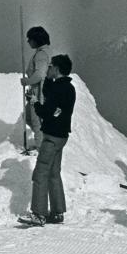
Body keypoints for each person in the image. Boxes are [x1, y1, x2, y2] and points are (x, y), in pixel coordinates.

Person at [18, 54, 76, 226]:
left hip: (51, 136)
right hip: (61, 136)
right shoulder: (68, 87)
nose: (48, 68)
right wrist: (47, 81)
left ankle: (38, 213)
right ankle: (58, 212)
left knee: (40, 173)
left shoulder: (59, 90)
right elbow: (49, 93)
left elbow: (46, 112)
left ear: (57, 69)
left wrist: (35, 102)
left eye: (50, 67)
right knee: (54, 173)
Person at [19, 26, 51, 150]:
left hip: (39, 91)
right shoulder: (41, 52)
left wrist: (27, 81)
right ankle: (42, 143)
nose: (28, 42)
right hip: (37, 90)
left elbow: (39, 74)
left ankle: (41, 149)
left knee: (36, 120)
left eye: (30, 39)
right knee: (29, 116)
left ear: (36, 39)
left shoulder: (41, 54)